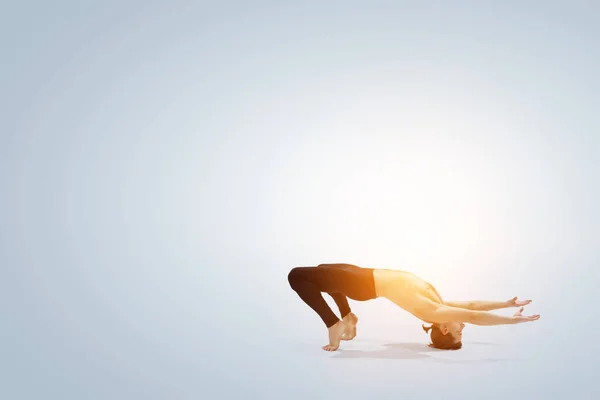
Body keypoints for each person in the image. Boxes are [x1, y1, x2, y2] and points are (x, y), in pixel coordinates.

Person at [287, 263, 539, 351]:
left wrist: (513, 322)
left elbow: (473, 315)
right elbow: (474, 305)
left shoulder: (432, 312)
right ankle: (348, 316)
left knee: (297, 276)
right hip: (366, 275)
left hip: (363, 284)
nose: (462, 325)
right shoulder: (438, 305)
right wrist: (506, 304)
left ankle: (334, 324)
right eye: (462, 330)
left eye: (460, 331)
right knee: (322, 269)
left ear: (443, 331)